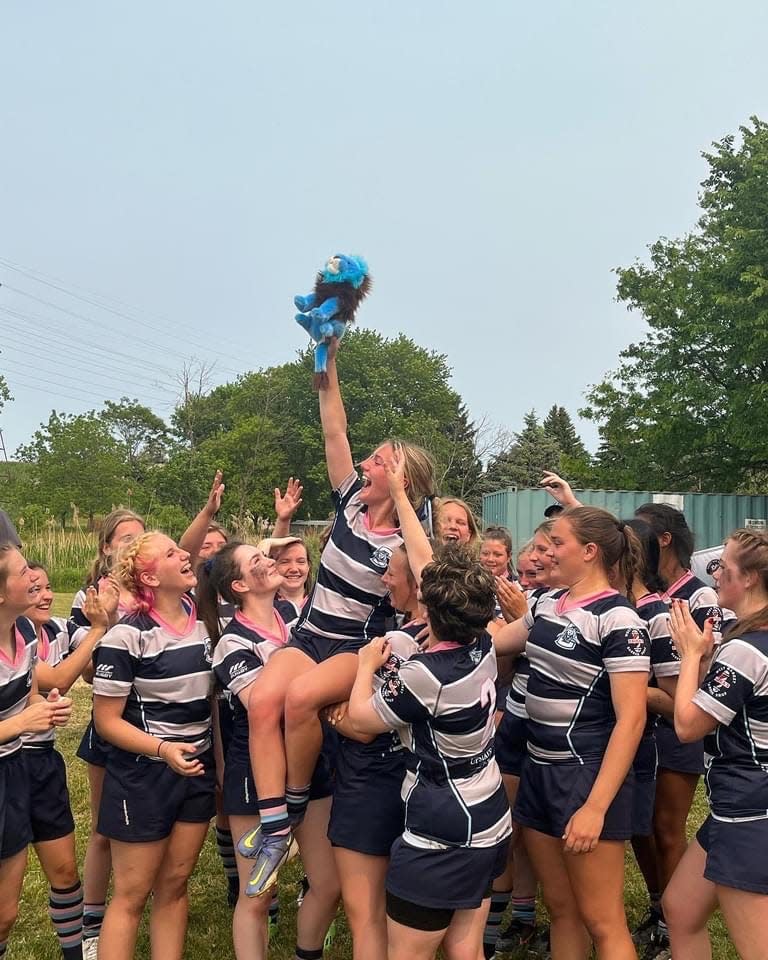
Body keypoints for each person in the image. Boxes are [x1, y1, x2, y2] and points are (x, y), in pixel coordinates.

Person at [236, 338, 436, 897]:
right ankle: (275, 823)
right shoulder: (349, 500)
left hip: (358, 647)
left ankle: (293, 803)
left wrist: (400, 494)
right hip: (310, 634)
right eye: (372, 459)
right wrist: (329, 361)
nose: (367, 464)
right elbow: (335, 431)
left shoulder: (408, 531)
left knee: (300, 701)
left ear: (403, 480)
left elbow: (428, 574)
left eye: (381, 462)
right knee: (262, 701)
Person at [494, 506, 650, 960]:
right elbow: (497, 642)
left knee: (602, 920)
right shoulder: (546, 602)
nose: (546, 553)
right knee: (561, 910)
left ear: (589, 551)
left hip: (585, 778)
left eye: (556, 543)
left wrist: (596, 808)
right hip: (538, 770)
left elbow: (633, 719)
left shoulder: (619, 620)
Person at [348, 547, 512, 960]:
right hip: (488, 813)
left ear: (431, 610)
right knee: (465, 946)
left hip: (441, 826)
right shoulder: (484, 643)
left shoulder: (425, 675)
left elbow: (361, 719)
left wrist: (366, 664)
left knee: (407, 953)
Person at [198, 541, 339, 960]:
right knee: (257, 892)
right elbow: (265, 704)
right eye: (257, 562)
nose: (271, 562)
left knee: (329, 884)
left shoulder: (296, 619)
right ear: (239, 585)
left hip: (311, 762)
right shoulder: (231, 642)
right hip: (257, 773)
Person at [91, 532, 215, 960]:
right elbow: (105, 722)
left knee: (175, 886)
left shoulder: (203, 620)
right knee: (130, 895)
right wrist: (163, 750)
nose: (185, 554)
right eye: (171, 553)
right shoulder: (125, 637)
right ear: (148, 576)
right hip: (144, 777)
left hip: (196, 770)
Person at [664, 528, 768, 960]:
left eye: (723, 567)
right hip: (738, 807)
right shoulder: (750, 643)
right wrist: (706, 659)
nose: (714, 574)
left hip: (749, 812)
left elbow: (688, 725)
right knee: (681, 908)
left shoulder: (747, 650)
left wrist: (689, 655)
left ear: (749, 580)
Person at [633, 501, 727, 957]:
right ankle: (659, 904)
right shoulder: (645, 592)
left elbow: (710, 671)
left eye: (640, 535)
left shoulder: (699, 595)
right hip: (645, 725)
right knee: (640, 826)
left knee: (667, 827)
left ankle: (674, 925)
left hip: (679, 724)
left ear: (662, 540)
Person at [325, 543, 423, 960]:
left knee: (365, 914)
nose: (384, 580)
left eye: (392, 573)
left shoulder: (398, 642)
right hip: (416, 779)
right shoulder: (457, 636)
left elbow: (362, 727)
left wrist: (333, 709)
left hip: (371, 780)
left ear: (416, 582)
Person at [23, 565, 113, 960]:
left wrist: (107, 623)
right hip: (12, 761)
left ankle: (75, 953)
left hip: (44, 761)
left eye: (47, 587)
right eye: (34, 588)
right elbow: (59, 676)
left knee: (64, 874)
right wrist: (96, 630)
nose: (44, 595)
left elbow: (93, 669)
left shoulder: (58, 630)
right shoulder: (19, 640)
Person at [0, 544, 73, 960]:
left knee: (6, 913)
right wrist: (20, 725)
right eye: (24, 572)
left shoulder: (27, 633)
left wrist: (43, 709)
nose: (34, 578)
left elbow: (28, 695)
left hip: (15, 769)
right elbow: (16, 721)